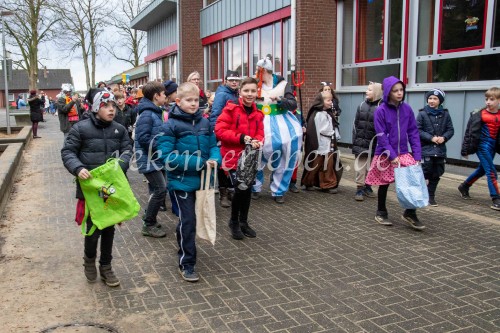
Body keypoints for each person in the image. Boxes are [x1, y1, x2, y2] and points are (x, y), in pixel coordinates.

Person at [61, 90, 132, 287]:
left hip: (110, 188)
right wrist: (78, 168)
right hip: (90, 189)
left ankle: (106, 266)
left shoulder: (120, 129)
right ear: (95, 108)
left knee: (109, 227)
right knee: (93, 229)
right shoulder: (80, 129)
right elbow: (68, 152)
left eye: (113, 107)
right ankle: (89, 259)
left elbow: (128, 149)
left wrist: (122, 164)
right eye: (106, 106)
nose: (111, 110)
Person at [157, 82, 221, 282]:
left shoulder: (204, 122)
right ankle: (187, 263)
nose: (194, 104)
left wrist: (215, 158)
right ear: (178, 101)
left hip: (202, 182)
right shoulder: (170, 125)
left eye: (196, 100)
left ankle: (183, 242)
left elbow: (213, 145)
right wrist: (199, 163)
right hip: (181, 182)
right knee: (189, 222)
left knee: (192, 220)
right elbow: (166, 157)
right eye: (189, 100)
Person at [364, 76, 424, 231]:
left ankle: (410, 212)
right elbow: (381, 136)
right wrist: (391, 156)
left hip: (403, 152)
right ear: (388, 93)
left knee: (412, 180)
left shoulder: (407, 109)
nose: (399, 93)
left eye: (401, 90)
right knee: (384, 183)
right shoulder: (380, 111)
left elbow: (413, 133)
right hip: (385, 153)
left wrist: (417, 155)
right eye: (395, 90)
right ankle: (381, 212)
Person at [215, 77, 264, 240]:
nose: (250, 94)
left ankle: (243, 222)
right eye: (246, 91)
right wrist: (242, 138)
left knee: (247, 189)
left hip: (250, 158)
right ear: (240, 92)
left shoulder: (258, 113)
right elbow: (220, 130)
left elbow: (260, 133)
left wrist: (258, 140)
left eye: (253, 91)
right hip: (233, 157)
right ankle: (233, 221)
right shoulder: (231, 109)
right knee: (240, 188)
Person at [252, 57, 302, 203]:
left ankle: (279, 190)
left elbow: (292, 105)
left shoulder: (283, 84)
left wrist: (280, 100)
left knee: (286, 155)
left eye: (257, 70)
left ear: (264, 71)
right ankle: (254, 187)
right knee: (256, 154)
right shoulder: (254, 84)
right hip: (259, 121)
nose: (255, 72)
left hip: (281, 123)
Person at [134, 81, 169, 238]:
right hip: (148, 159)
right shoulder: (147, 114)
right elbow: (143, 138)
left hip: (154, 159)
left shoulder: (153, 112)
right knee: (161, 189)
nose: (166, 97)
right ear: (156, 96)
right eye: (164, 94)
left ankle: (150, 218)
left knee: (159, 189)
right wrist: (161, 146)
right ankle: (148, 224)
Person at [459, 87, 500, 211]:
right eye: (486, 99)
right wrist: (465, 150)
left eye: (491, 99)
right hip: (482, 146)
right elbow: (469, 133)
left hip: (493, 146)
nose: (488, 102)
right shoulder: (479, 114)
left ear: (498, 100)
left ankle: (464, 186)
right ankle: (496, 198)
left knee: (482, 169)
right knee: (491, 172)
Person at [209, 70, 242, 208]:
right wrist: (217, 133)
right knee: (223, 165)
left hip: (234, 134)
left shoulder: (236, 94)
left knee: (232, 162)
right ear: (226, 80)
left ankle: (230, 191)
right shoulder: (222, 94)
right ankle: (223, 194)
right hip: (223, 133)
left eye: (236, 80)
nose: (234, 82)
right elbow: (215, 114)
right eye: (231, 79)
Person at [417, 89, 454, 207]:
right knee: (424, 172)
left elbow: (450, 130)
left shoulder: (445, 114)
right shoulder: (422, 114)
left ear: (440, 101)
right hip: (426, 150)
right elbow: (418, 130)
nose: (432, 101)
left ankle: (431, 195)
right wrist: (431, 138)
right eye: (430, 98)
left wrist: (444, 138)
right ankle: (421, 193)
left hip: (440, 151)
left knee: (437, 173)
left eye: (435, 99)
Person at [301, 91, 340, 193]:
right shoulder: (318, 115)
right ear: (321, 101)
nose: (331, 102)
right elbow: (320, 130)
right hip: (320, 144)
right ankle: (308, 182)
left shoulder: (327, 113)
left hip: (328, 144)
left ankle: (328, 184)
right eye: (328, 100)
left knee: (328, 164)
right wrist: (331, 132)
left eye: (331, 100)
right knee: (316, 164)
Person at [351, 82, 382, 201]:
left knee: (371, 167)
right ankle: (359, 188)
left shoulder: (381, 107)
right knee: (360, 167)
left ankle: (368, 185)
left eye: (369, 90)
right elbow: (355, 124)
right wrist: (355, 141)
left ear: (377, 92)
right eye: (367, 89)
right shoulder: (361, 105)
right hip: (360, 143)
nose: (366, 92)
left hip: (374, 144)